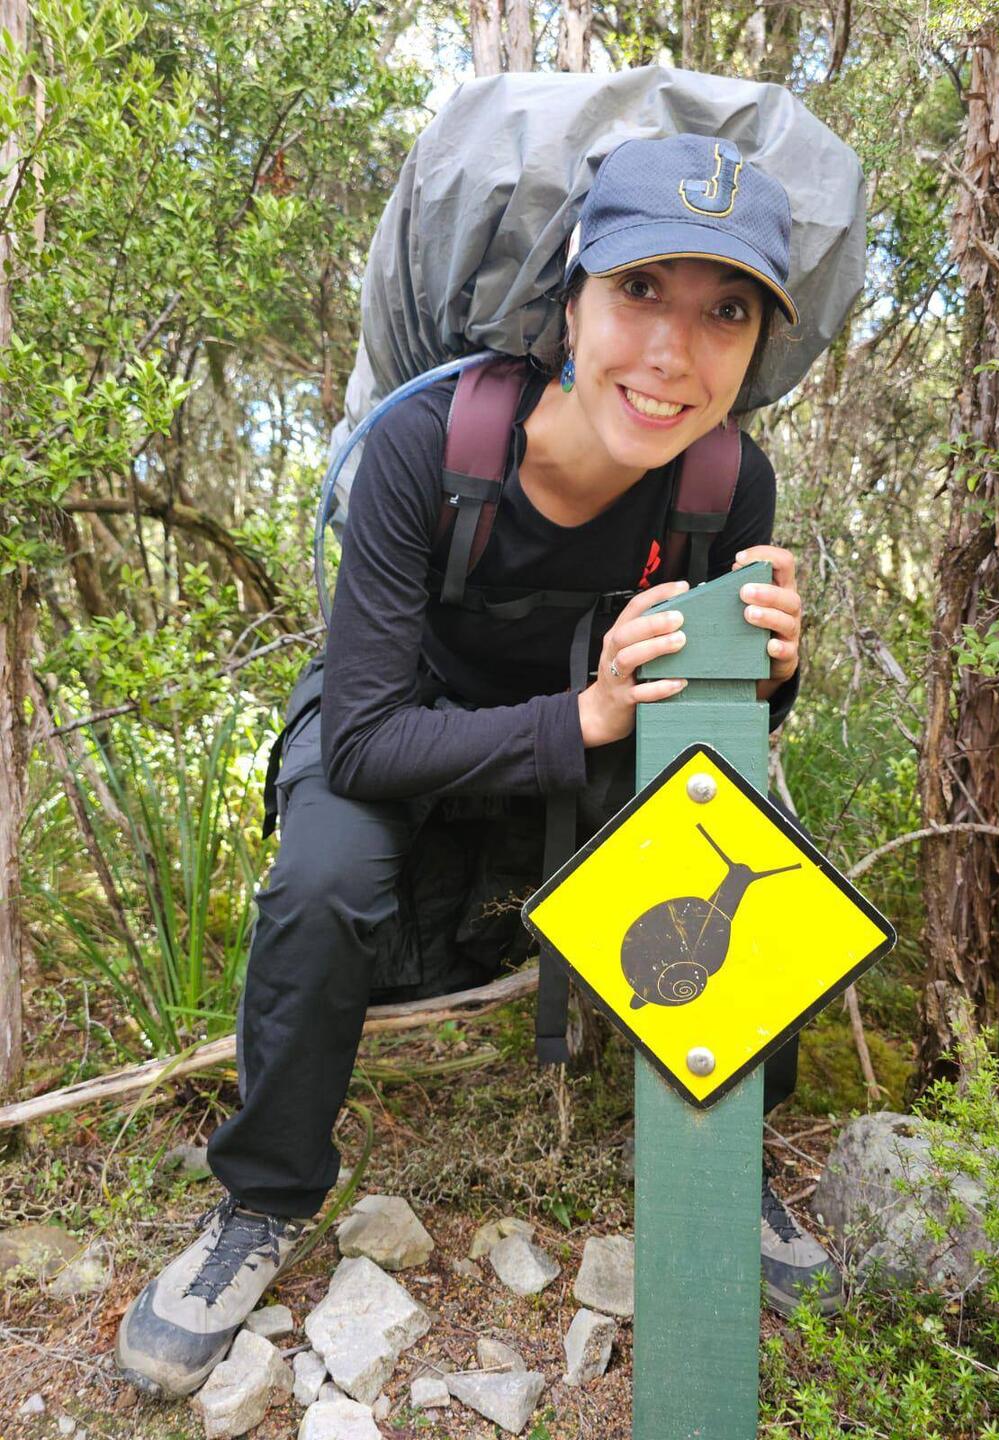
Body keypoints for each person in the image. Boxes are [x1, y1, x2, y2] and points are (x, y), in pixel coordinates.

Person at [116, 132, 842, 1399]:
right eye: (639, 292)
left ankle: (731, 1164)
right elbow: (369, 734)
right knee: (324, 879)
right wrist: (589, 718)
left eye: (725, 311)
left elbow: (722, 736)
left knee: (748, 856)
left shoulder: (729, 483)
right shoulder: (431, 451)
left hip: (584, 724)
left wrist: (767, 674)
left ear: (755, 346)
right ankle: (264, 1201)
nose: (674, 352)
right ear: (571, 298)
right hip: (402, 718)